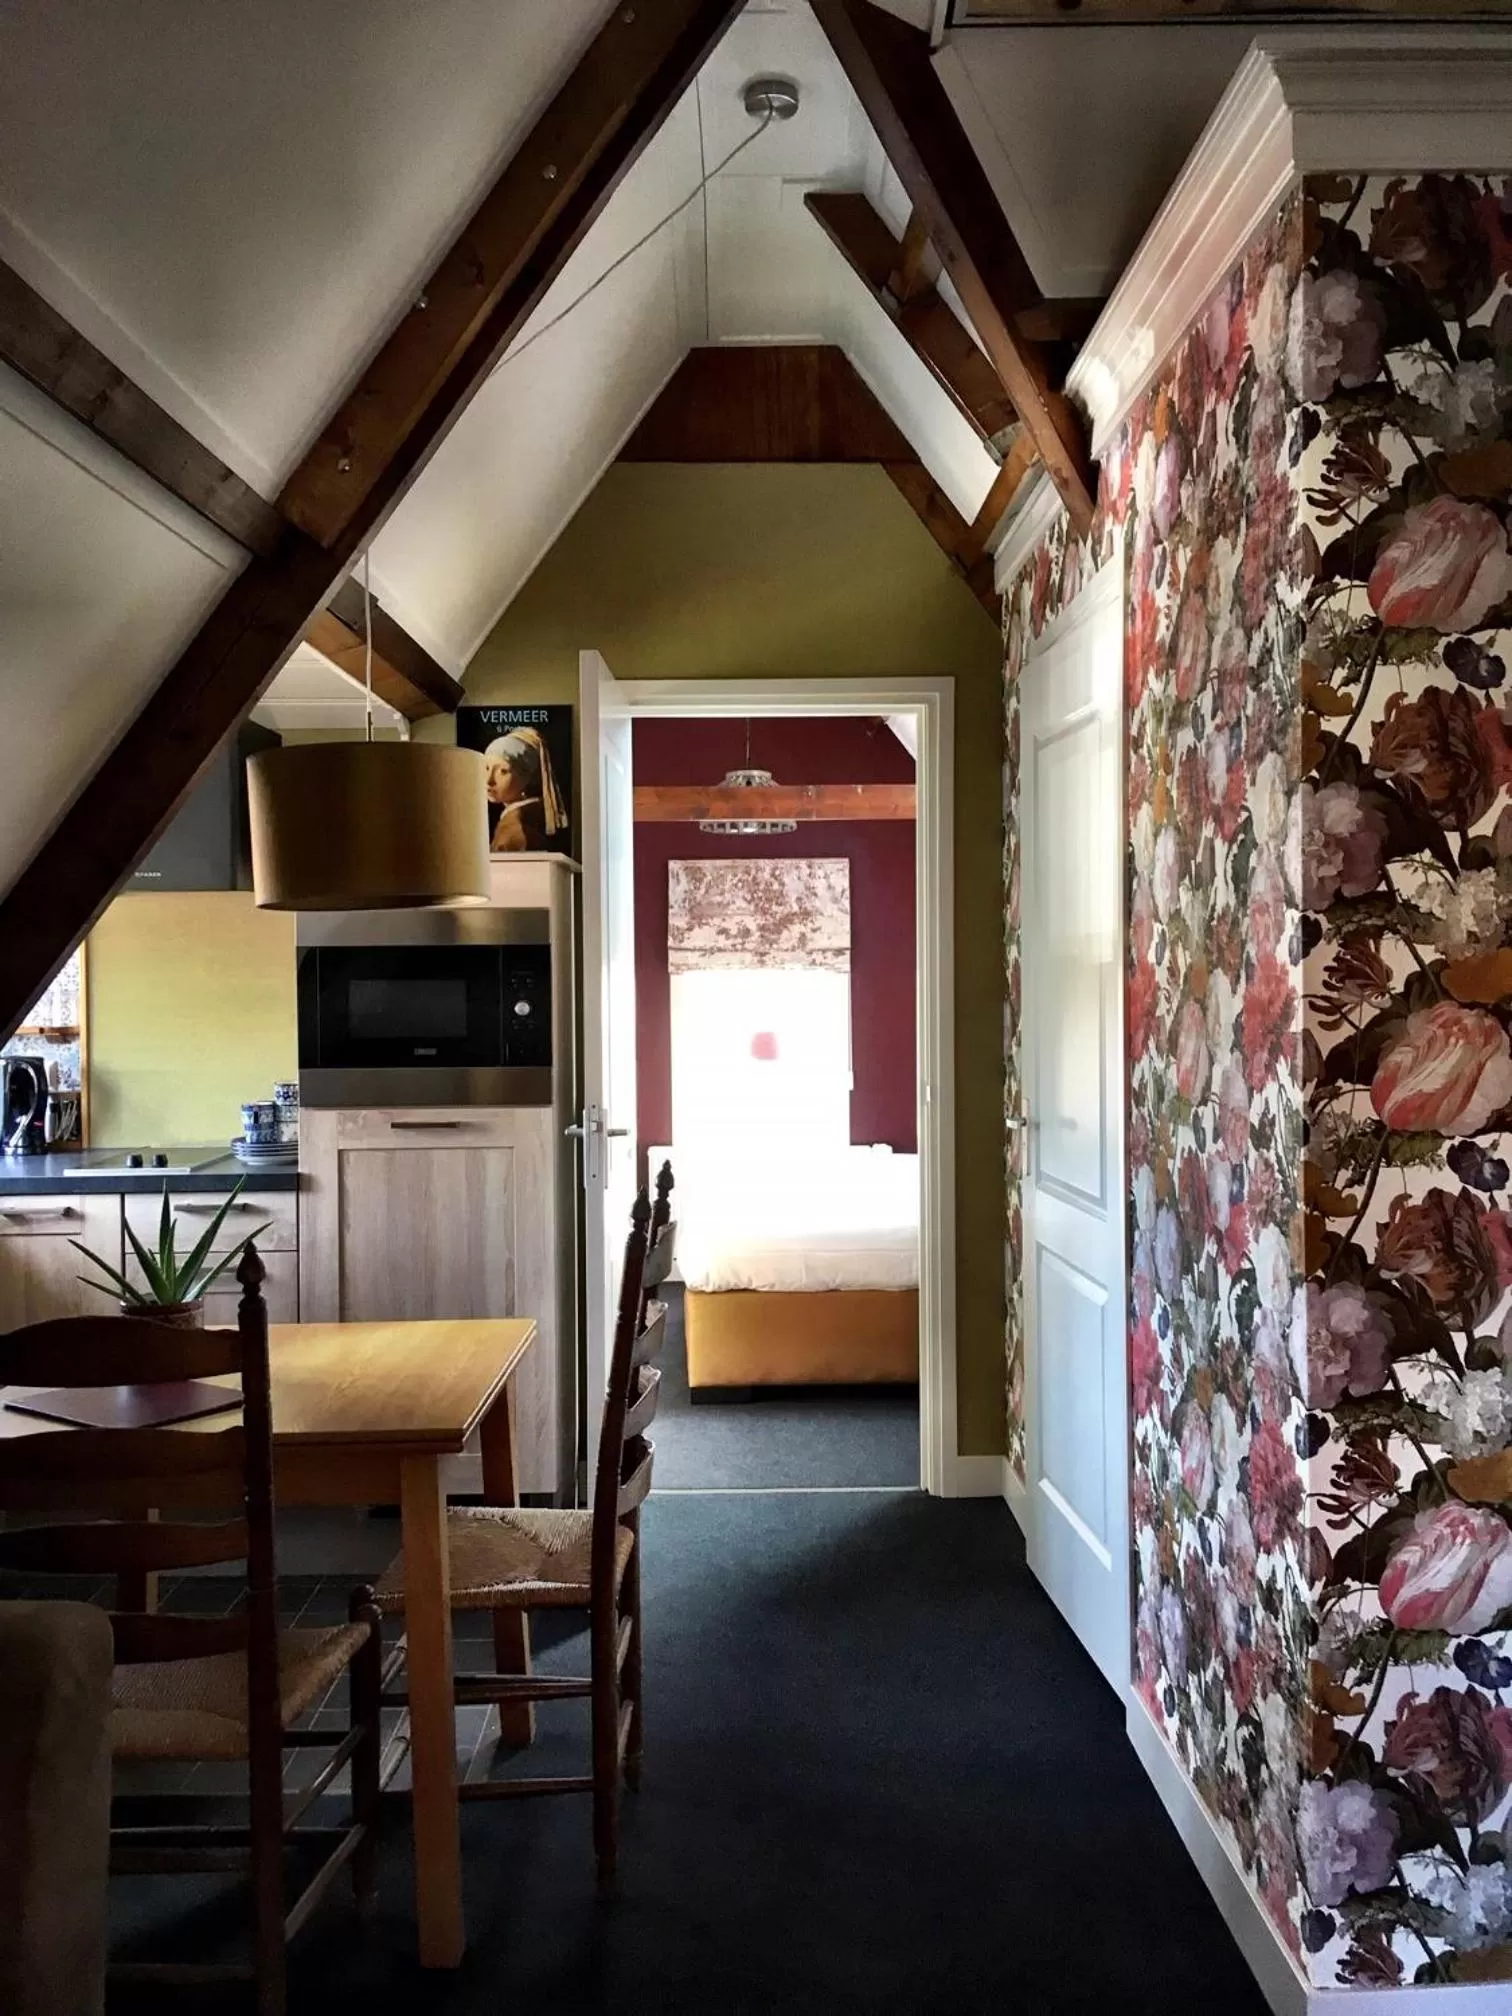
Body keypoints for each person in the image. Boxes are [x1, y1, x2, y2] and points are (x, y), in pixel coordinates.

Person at [483, 727, 567, 853]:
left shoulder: (517, 830)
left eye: (503, 771)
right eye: (487, 768)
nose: (489, 781)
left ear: (528, 777)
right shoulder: (523, 819)